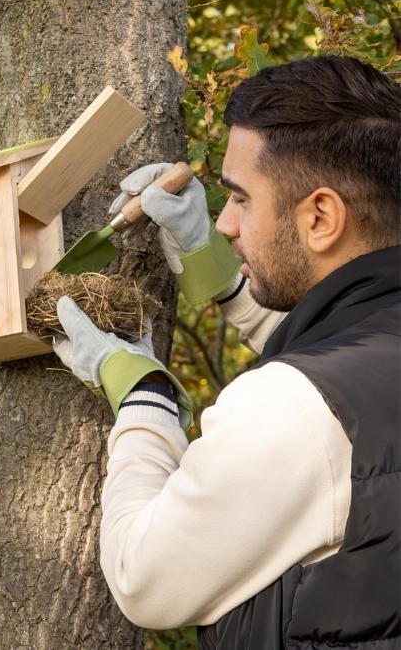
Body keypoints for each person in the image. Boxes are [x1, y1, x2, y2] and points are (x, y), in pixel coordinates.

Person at [51, 54, 400, 647]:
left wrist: (144, 397)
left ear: (320, 216)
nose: (227, 224)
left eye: (240, 198)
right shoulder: (369, 353)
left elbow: (145, 579)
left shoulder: (292, 408)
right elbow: (352, 381)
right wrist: (223, 278)